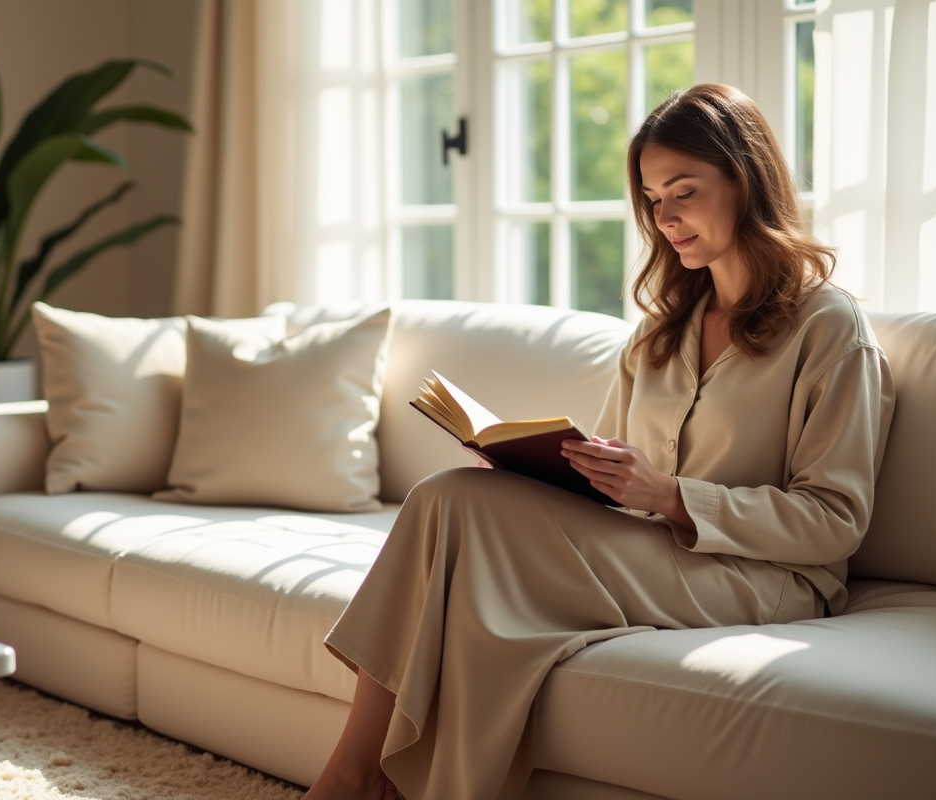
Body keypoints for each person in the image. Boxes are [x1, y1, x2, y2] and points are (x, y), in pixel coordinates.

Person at [302, 83, 895, 800]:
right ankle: (363, 774)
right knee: (453, 498)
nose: (664, 217)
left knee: (454, 516)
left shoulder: (828, 328)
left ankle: (352, 777)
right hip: (647, 551)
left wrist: (671, 496)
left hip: (766, 578)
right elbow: (612, 476)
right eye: (651, 198)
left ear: (744, 182)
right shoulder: (660, 331)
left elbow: (835, 520)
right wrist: (537, 470)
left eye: (683, 191)